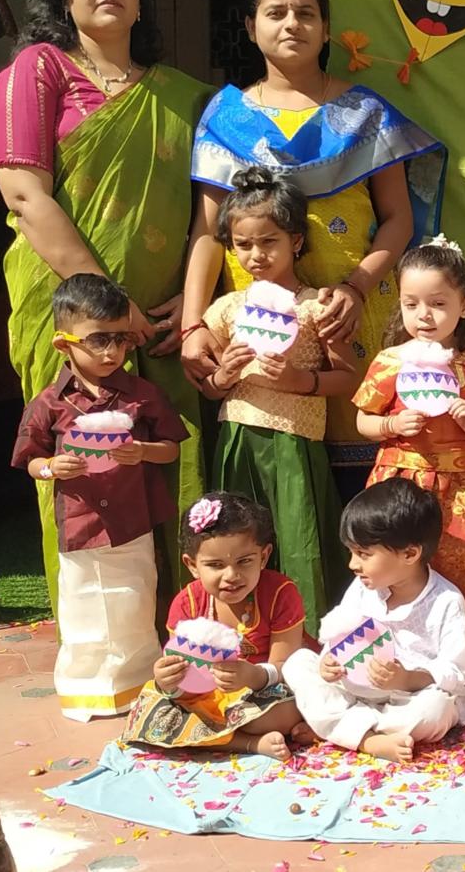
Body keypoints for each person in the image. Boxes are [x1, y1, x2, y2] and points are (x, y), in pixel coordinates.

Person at [0, 0, 211, 612]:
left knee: (165, 457)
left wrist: (192, 302)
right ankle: (94, 639)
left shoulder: (184, 97)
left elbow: (210, 214)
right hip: (69, 309)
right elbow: (24, 195)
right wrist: (114, 310)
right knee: (81, 469)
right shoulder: (37, 70)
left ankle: (181, 626)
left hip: (161, 319)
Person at [181, 0, 446, 498]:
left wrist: (356, 288)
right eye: (275, 13)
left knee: (366, 488)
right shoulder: (224, 118)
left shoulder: (365, 113)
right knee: (278, 492)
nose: (291, 24)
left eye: (306, 13)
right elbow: (207, 233)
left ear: (326, 29)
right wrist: (193, 327)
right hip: (264, 328)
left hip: (354, 315)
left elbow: (399, 219)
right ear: (251, 26)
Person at [11, 274, 187, 721]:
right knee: (82, 604)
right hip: (80, 522)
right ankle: (84, 690)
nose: (111, 352)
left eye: (121, 339)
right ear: (63, 343)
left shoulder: (142, 395)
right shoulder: (49, 403)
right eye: (98, 340)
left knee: (135, 600)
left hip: (132, 520)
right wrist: (52, 467)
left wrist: (142, 450)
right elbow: (31, 460)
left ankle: (138, 685)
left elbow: (171, 447)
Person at [199, 167, 359, 633]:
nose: (256, 255)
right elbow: (208, 386)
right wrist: (222, 375)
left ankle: (305, 637)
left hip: (295, 444)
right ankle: (242, 632)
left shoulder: (316, 306)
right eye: (243, 245)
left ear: (296, 241)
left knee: (299, 538)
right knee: (238, 541)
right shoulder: (227, 309)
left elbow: (348, 377)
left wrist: (298, 380)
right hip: (239, 440)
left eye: (269, 242)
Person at [352, 239, 465, 668]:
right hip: (404, 485)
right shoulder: (391, 361)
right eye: (411, 304)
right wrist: (390, 426)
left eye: (438, 304)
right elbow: (364, 419)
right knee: (401, 567)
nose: (424, 315)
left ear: (464, 306)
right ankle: (398, 658)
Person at [282, 480, 465, 762]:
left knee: (436, 710)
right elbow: (339, 633)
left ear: (410, 554)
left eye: (364, 554)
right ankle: (368, 738)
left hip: (408, 699)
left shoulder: (446, 601)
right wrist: (329, 662)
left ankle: (341, 728)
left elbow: (454, 671)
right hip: (352, 689)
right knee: (298, 662)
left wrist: (407, 679)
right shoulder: (362, 587)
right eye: (352, 552)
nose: (353, 564)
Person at [122, 493, 308, 760]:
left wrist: (253, 676)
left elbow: (286, 665)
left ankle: (227, 737)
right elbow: (183, 677)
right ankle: (249, 743)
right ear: (192, 565)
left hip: (265, 692)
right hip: (206, 698)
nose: (231, 575)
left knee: (280, 712)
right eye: (215, 565)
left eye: (245, 561)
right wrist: (169, 682)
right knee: (152, 715)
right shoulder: (187, 603)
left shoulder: (280, 593)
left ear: (264, 556)